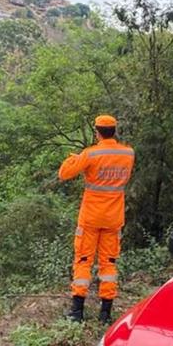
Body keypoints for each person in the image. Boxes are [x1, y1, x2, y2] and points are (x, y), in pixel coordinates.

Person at [58, 114, 134, 324]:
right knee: (108, 263)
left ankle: (77, 312)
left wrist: (74, 158)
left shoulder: (91, 154)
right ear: (114, 130)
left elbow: (64, 173)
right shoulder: (129, 153)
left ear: (97, 131)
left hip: (91, 217)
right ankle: (105, 313)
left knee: (83, 260)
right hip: (113, 217)